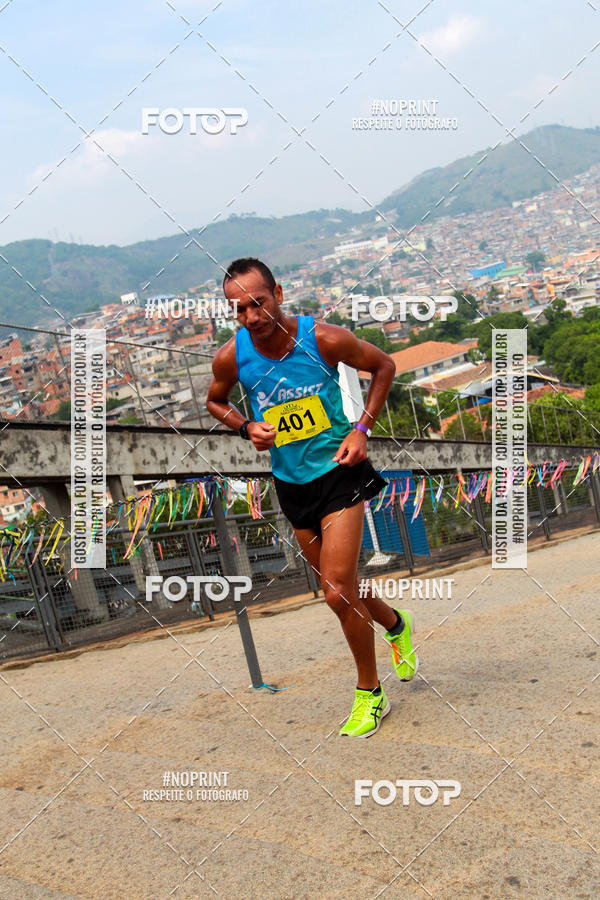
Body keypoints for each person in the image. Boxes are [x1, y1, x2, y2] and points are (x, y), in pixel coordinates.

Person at [206, 257, 418, 737]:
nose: (251, 317)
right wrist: (245, 427)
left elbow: (384, 366)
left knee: (336, 591)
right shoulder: (232, 356)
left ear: (278, 292)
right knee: (343, 591)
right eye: (238, 309)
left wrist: (362, 429)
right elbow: (213, 401)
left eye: (258, 303)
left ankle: (370, 693)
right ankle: (397, 624)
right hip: (291, 483)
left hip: (340, 472)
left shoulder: (324, 338)